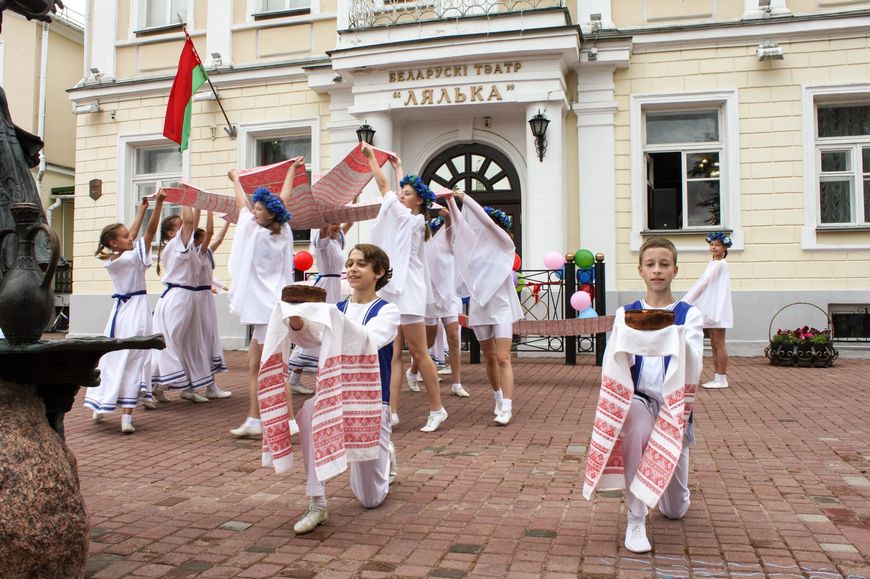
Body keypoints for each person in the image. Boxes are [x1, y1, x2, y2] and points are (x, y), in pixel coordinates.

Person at [582, 237, 703, 554]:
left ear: (675, 270)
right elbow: (615, 360)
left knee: (675, 510)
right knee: (635, 428)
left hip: (674, 409)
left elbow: (693, 361)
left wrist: (665, 334)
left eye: (664, 264)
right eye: (650, 264)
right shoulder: (627, 313)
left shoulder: (689, 315)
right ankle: (636, 519)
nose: (657, 270)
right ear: (640, 270)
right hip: (639, 401)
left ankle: (665, 491)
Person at [289, 243, 400, 534]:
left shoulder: (388, 311)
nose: (351, 269)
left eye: (361, 264)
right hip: (334, 395)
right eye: (349, 263)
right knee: (310, 412)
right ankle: (317, 503)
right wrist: (298, 320)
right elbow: (310, 339)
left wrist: (330, 319)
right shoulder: (335, 308)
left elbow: (372, 338)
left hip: (373, 402)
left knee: (369, 499)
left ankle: (386, 452)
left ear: (378, 272)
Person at [362, 142, 448, 433]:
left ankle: (438, 408)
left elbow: (384, 185)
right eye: (403, 192)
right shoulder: (412, 219)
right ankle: (391, 411)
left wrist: (372, 158)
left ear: (418, 202)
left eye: (407, 194)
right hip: (398, 290)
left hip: (407, 292)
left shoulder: (407, 219)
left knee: (419, 353)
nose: (401, 196)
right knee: (393, 352)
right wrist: (398, 165)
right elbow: (395, 187)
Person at [227, 160, 299, 438]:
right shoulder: (284, 231)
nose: (253, 211)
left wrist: (236, 179)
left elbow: (240, 205)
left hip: (270, 310)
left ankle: (290, 420)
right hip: (269, 310)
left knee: (275, 368)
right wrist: (292, 170)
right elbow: (284, 198)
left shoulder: (256, 231)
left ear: (269, 214)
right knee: (254, 365)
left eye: (258, 208)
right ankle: (254, 418)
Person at [83, 192, 165, 433]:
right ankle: (124, 415)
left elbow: (134, 234)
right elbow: (149, 232)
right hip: (135, 312)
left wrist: (141, 209)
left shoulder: (112, 258)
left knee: (115, 357)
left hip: (120, 313)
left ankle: (104, 405)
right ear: (113, 242)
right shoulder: (128, 258)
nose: (131, 238)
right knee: (133, 357)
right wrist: (157, 206)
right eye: (125, 236)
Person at [445, 192, 522, 425]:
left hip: (501, 307)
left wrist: (465, 198)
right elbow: (459, 224)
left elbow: (486, 220)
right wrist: (450, 201)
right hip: (480, 307)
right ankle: (498, 397)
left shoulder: (504, 244)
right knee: (489, 357)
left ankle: (507, 407)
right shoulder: (472, 246)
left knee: (503, 357)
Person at [151, 207, 229, 402]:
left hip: (188, 297)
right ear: (171, 233)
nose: (191, 227)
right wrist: (190, 199)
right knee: (172, 344)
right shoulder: (176, 246)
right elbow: (191, 224)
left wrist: (201, 205)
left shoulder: (188, 248)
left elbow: (200, 229)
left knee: (191, 344)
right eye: (181, 226)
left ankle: (186, 387)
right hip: (179, 297)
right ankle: (152, 385)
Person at [406, 211, 468, 399]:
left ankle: (457, 383)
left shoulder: (449, 240)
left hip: (448, 296)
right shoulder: (424, 241)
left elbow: (451, 228)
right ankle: (413, 371)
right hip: (430, 297)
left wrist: (448, 217)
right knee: (429, 340)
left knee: (454, 338)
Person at [288, 221, 354, 394]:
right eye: (334, 223)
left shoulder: (338, 240)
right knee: (316, 328)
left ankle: (321, 378)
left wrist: (353, 198)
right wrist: (325, 216)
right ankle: (294, 378)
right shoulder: (322, 241)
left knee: (329, 331)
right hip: (324, 287)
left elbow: (350, 222)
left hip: (334, 286)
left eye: (339, 223)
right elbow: (325, 226)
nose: (338, 226)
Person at [683, 232, 733, 389]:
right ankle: (717, 376)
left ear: (724, 248)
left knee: (719, 342)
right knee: (713, 342)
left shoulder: (719, 264)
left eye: (718, 245)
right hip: (712, 305)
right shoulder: (714, 263)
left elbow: (703, 283)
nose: (714, 247)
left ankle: (722, 378)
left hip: (717, 307)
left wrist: (686, 300)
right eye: (712, 244)